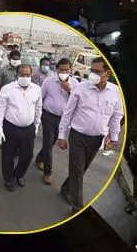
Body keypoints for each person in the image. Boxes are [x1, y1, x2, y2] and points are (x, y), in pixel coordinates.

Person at [57, 57, 124, 212]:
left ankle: (66, 188)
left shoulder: (114, 91)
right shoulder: (81, 88)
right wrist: (61, 135)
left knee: (81, 169)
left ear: (107, 73)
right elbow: (68, 112)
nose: (92, 74)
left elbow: (116, 116)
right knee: (78, 171)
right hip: (78, 136)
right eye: (91, 70)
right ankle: (77, 208)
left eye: (97, 71)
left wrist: (114, 137)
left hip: (97, 138)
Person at [0, 63, 42, 192]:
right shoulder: (7, 89)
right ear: (16, 75)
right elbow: (0, 109)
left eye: (28, 75)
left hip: (28, 128)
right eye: (22, 75)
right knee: (8, 156)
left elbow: (38, 108)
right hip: (11, 128)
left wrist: (37, 125)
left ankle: (19, 175)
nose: (25, 77)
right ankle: (8, 178)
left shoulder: (36, 89)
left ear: (31, 75)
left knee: (27, 156)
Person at [35, 58, 75, 185]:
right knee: (48, 143)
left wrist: (69, 90)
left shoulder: (75, 84)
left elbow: (79, 101)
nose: (64, 72)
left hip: (63, 119)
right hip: (48, 116)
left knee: (51, 142)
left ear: (70, 70)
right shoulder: (49, 81)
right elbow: (40, 97)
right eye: (61, 70)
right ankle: (48, 172)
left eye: (66, 70)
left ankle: (39, 158)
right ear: (57, 70)